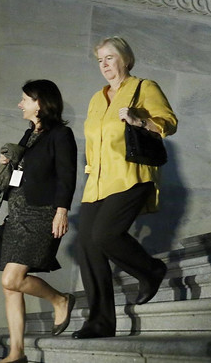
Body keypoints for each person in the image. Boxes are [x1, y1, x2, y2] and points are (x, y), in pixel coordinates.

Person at [75, 36, 178, 339]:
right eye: (100, 60)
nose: (104, 65)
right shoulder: (97, 98)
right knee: (86, 246)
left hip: (132, 174)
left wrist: (140, 121)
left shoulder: (144, 87)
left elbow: (168, 122)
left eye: (109, 58)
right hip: (98, 182)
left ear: (124, 59)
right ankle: (100, 322)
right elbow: (94, 143)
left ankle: (151, 271)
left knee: (105, 234)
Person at [0, 80, 78, 362]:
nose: (20, 104)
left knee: (12, 278)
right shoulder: (29, 135)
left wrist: (62, 210)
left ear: (40, 103)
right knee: (9, 286)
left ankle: (59, 299)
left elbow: (67, 175)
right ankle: (16, 353)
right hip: (16, 215)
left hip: (40, 213)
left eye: (25, 100)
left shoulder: (61, 134)